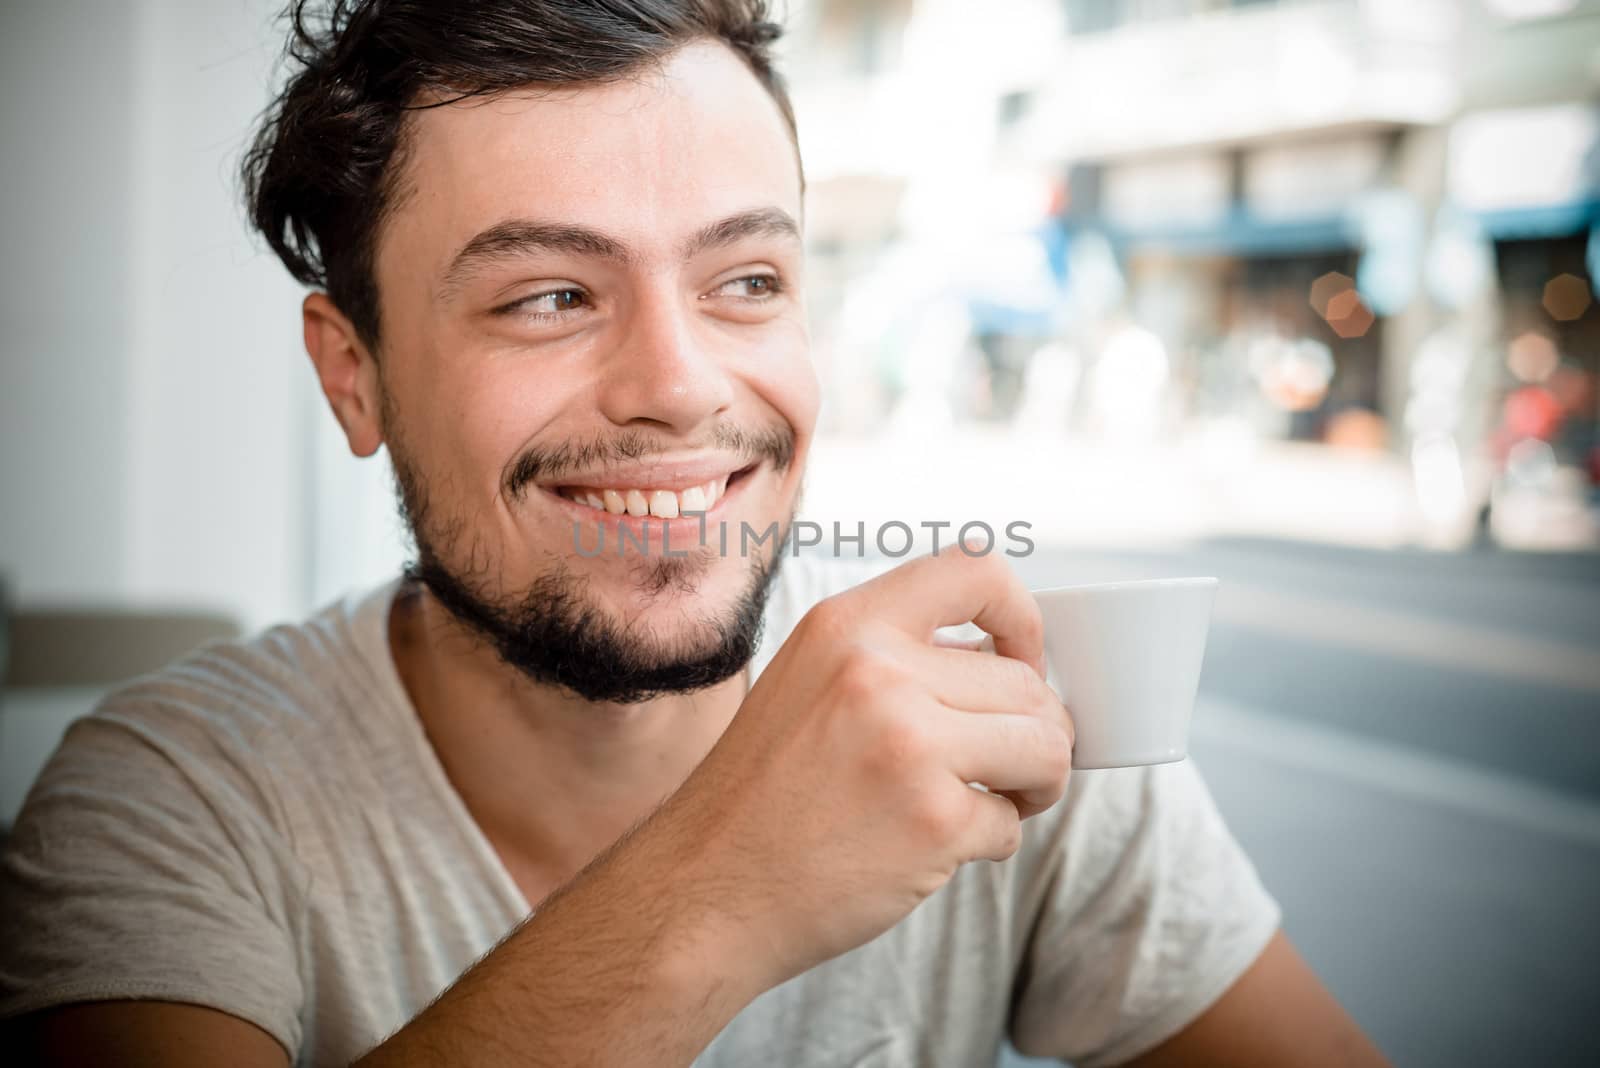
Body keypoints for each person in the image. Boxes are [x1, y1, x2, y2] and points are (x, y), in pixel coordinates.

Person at [0, 2, 1389, 1065]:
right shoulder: (169, 804)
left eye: (747, 278)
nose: (678, 384)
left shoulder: (1015, 709)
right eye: (548, 295)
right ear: (352, 370)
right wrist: (723, 889)